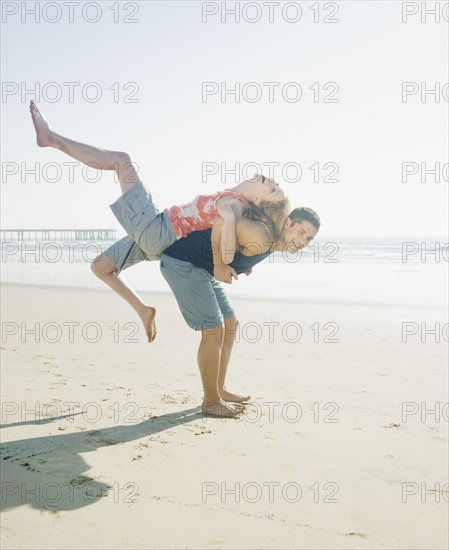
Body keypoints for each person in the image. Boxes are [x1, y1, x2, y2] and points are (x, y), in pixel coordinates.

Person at [29, 100, 289, 341]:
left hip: (158, 230)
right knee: (101, 268)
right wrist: (246, 262)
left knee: (122, 162)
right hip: (164, 236)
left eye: (274, 190)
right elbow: (237, 237)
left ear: (258, 202)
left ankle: (51, 138)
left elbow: (227, 226)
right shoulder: (237, 202)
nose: (273, 182)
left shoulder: (234, 205)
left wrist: (225, 258)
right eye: (275, 184)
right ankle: (143, 310)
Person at [159, 207, 321, 417]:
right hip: (183, 262)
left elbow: (241, 247)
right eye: (301, 232)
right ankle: (210, 401)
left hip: (202, 269)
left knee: (230, 323)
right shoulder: (261, 234)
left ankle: (219, 389)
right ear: (288, 222)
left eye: (309, 239)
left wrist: (243, 262)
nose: (303, 242)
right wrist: (220, 263)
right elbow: (221, 223)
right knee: (213, 329)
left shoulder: (277, 241)